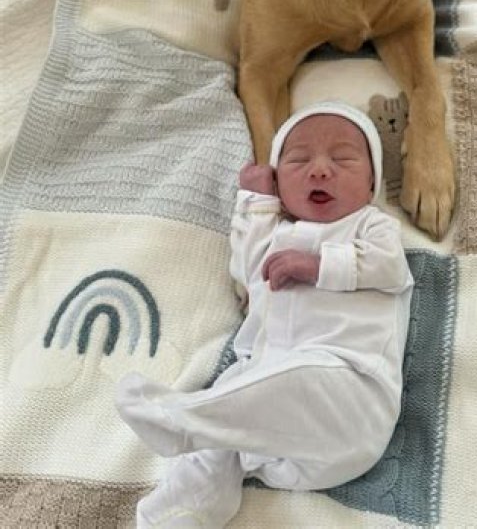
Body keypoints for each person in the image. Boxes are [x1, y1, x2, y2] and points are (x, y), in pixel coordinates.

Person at [116, 100, 414, 528]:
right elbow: (247, 267)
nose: (320, 169)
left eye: (343, 159)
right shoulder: (277, 234)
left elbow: (389, 266)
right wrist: (256, 201)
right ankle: (179, 515)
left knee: (294, 381)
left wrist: (317, 265)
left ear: (371, 184)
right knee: (223, 429)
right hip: (275, 438)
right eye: (298, 160)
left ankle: (185, 420)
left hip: (352, 400)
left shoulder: (371, 225)